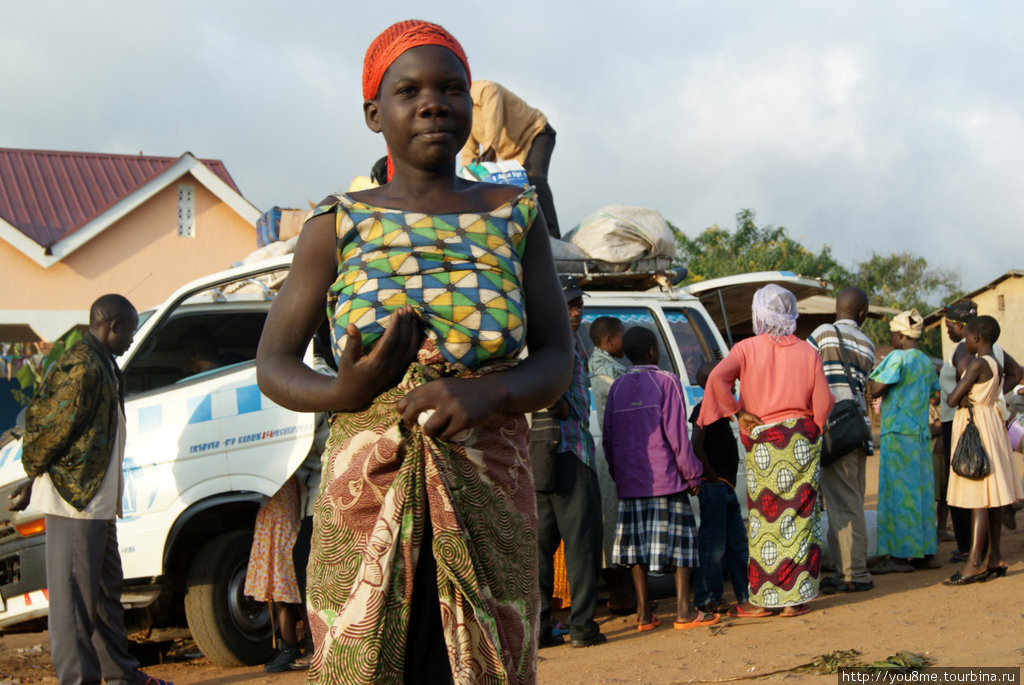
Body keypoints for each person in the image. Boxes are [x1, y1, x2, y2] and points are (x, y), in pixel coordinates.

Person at [254, 20, 573, 684]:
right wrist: (343, 392)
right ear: (374, 113)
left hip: (489, 488)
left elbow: (556, 360)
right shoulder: (335, 222)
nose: (434, 102)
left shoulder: (516, 217)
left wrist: (491, 391)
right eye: (410, 90)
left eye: (451, 88)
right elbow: (274, 364)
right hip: (366, 493)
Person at [13, 295, 172, 685]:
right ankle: (77, 679)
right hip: (74, 502)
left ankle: (120, 675)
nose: (132, 340)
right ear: (112, 326)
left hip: (96, 501)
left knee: (103, 597)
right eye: (130, 332)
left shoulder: (103, 364)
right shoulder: (80, 366)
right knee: (73, 604)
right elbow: (47, 426)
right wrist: (31, 473)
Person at [698, 284, 833, 618]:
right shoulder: (807, 351)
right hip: (801, 439)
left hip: (764, 443)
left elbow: (717, 378)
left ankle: (763, 600)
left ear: (760, 313)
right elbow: (824, 401)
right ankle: (792, 600)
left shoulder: (745, 349)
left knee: (763, 521)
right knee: (799, 520)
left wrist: (739, 412)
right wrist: (813, 428)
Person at [603, 327, 717, 632]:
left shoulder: (617, 387)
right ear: (653, 351)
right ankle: (684, 610)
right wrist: (692, 473)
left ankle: (643, 614)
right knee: (680, 545)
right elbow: (677, 434)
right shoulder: (666, 382)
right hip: (666, 477)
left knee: (635, 549)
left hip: (630, 481)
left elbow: (609, 437)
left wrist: (618, 474)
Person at [535, 275, 606, 648]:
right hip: (567, 449)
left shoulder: (539, 339)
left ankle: (542, 629)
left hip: (538, 454)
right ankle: (581, 627)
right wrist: (558, 405)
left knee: (540, 548)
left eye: (578, 304)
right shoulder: (558, 343)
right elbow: (556, 398)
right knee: (581, 545)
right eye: (568, 304)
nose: (576, 311)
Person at [938, 300, 1023, 560]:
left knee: (971, 487)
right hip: (989, 419)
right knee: (990, 483)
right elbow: (1016, 372)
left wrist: (973, 396)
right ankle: (991, 552)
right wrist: (996, 393)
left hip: (967, 422)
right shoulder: (994, 349)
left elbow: (963, 383)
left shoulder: (967, 353)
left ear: (968, 330)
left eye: (950, 325)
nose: (949, 331)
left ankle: (971, 551)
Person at [807, 287, 876, 594]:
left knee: (843, 505)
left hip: (834, 430)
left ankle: (855, 574)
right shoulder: (868, 344)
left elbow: (805, 372)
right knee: (846, 502)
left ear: (836, 308)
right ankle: (843, 569)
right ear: (862, 314)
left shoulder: (822, 334)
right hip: (857, 429)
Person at [867, 309, 941, 573]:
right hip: (919, 435)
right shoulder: (925, 361)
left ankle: (899, 556)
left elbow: (876, 388)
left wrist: (876, 372)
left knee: (898, 495)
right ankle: (924, 553)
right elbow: (935, 394)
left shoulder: (897, 358)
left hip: (898, 434)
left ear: (899, 335)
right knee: (921, 493)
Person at [460, 80, 561, 237]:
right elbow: (468, 152)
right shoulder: (464, 116)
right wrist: (467, 179)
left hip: (535, 133)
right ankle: (529, 232)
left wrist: (490, 148)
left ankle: (551, 233)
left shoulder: (486, 90)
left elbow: (493, 118)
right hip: (513, 154)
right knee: (519, 191)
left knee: (535, 178)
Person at [689, 361, 749, 613]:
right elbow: (696, 446)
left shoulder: (721, 411)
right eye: (729, 381)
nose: (733, 384)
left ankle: (745, 595)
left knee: (736, 542)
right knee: (713, 544)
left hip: (725, 487)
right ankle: (707, 597)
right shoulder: (705, 409)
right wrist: (711, 477)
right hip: (715, 487)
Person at [586, 315, 633, 613]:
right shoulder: (604, 369)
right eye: (622, 335)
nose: (624, 340)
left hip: (618, 448)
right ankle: (620, 593)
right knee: (614, 524)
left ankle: (624, 592)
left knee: (619, 522)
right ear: (608, 340)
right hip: (614, 451)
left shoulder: (609, 364)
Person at [243, 476, 305, 672]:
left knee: (289, 593)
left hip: (281, 523)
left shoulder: (281, 466)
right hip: (275, 519)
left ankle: (296, 647)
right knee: (288, 592)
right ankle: (294, 646)